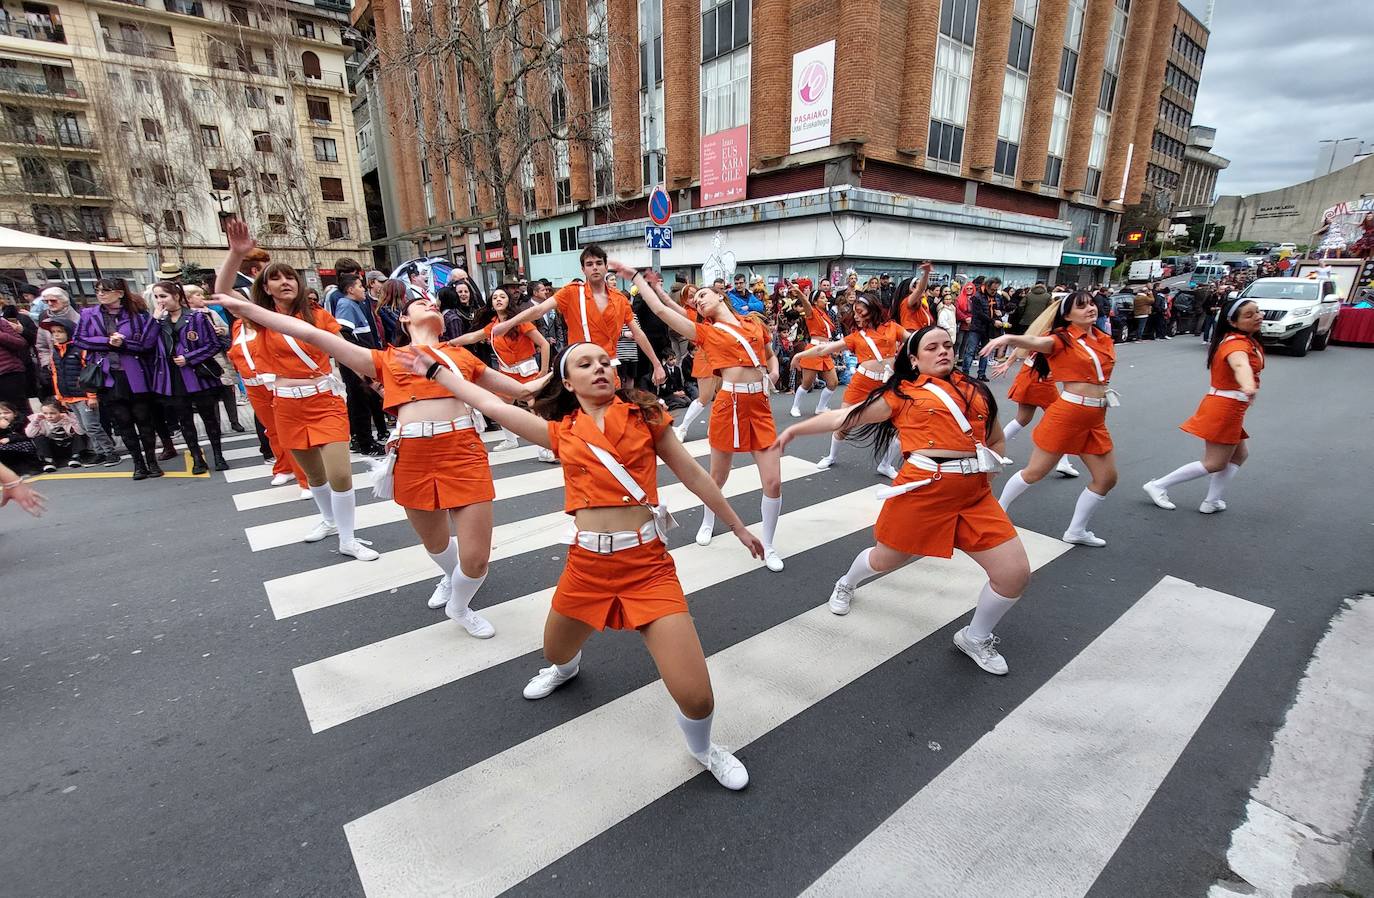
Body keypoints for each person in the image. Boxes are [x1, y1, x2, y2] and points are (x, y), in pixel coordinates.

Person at [396, 337, 763, 788]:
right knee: (554, 651)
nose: (600, 368)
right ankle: (565, 670)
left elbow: (693, 473)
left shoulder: (647, 417)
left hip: (647, 567)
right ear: (568, 382)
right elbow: (489, 402)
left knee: (697, 696)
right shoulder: (560, 431)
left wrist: (738, 527)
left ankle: (704, 749)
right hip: (586, 567)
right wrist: (435, 373)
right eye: (585, 364)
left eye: (605, 362)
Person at [215, 289, 539, 636]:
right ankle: (448, 577)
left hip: (463, 452)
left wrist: (578, 372)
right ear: (403, 318)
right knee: (437, 544)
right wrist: (246, 308)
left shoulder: (463, 357)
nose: (431, 304)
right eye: (419, 303)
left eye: (434, 303)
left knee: (476, 561)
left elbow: (522, 391)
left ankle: (458, 607)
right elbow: (311, 334)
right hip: (412, 457)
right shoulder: (386, 358)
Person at [774, 325, 1031, 675]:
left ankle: (975, 636)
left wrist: (989, 471)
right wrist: (794, 430)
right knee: (885, 560)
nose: (943, 351)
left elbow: (996, 438)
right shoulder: (902, 395)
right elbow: (846, 416)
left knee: (1013, 574)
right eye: (932, 347)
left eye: (948, 345)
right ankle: (846, 582)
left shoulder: (976, 390)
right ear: (914, 358)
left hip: (975, 497)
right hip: (922, 491)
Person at [215, 220, 377, 560]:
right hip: (286, 405)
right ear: (266, 287)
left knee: (340, 473)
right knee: (313, 474)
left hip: (325, 400)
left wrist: (377, 379)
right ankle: (329, 521)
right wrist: (235, 254)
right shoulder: (259, 317)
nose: (284, 281)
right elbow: (224, 293)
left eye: (290, 276)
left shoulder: (318, 315)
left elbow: (344, 351)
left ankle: (348, 539)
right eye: (275, 278)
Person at [625, 264, 786, 572]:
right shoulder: (706, 333)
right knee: (718, 478)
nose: (698, 301)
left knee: (773, 481)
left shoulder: (753, 323)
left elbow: (770, 354)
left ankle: (768, 544)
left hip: (759, 406)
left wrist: (775, 371)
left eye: (703, 295)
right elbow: (660, 309)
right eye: (695, 300)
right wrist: (635, 278)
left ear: (719, 295)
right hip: (729, 404)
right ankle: (708, 518)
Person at [983, 291, 1119, 547]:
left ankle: (1076, 531)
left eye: (1091, 304)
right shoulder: (1061, 340)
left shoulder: (1103, 339)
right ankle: (997, 509)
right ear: (1067, 315)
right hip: (1068, 414)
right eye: (1082, 306)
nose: (1090, 308)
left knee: (1107, 478)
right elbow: (1036, 341)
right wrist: (1008, 337)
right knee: (1034, 472)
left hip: (1095, 417)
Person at [1143, 296, 1264, 514]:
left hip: (1231, 407)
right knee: (1215, 462)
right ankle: (1158, 485)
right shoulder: (1235, 344)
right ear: (1233, 322)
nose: (1258, 316)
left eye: (1258, 311)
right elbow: (1239, 364)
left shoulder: (1244, 340)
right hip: (1224, 408)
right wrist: (1247, 385)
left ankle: (1212, 500)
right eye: (1250, 314)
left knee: (1238, 455)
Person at [493, 245, 666, 389]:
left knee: (611, 423)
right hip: (580, 369)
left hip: (608, 369)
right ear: (583, 269)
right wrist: (510, 323)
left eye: (599, 263)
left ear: (606, 267)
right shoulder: (572, 292)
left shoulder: (620, 299)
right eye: (589, 264)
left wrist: (657, 365)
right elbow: (539, 310)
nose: (595, 267)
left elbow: (638, 334)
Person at [789, 292, 906, 473]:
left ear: (872, 310)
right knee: (844, 422)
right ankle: (831, 456)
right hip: (862, 383)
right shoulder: (856, 336)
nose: (857, 317)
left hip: (888, 384)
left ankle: (886, 464)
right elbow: (824, 348)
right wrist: (800, 354)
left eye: (860, 312)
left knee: (900, 425)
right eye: (855, 313)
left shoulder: (892, 327)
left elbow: (914, 340)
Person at [74, 278, 165, 480]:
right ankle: (138, 463)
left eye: (106, 290)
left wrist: (122, 345)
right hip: (108, 376)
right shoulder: (88, 314)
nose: (101, 294)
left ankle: (152, 461)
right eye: (97, 291)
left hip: (135, 373)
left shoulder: (137, 316)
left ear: (120, 293)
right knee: (123, 422)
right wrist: (108, 342)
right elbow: (79, 339)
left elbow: (146, 344)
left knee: (144, 419)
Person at [445, 285, 550, 450]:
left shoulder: (520, 321)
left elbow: (544, 344)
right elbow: (474, 336)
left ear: (509, 300)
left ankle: (545, 447)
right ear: (491, 304)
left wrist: (543, 371)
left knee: (535, 408)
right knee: (499, 408)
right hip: (506, 372)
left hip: (527, 371)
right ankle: (510, 440)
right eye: (495, 298)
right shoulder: (493, 325)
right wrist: (452, 342)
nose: (498, 300)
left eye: (502, 297)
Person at [148, 280, 230, 474]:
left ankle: (218, 455)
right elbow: (147, 344)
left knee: (209, 418)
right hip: (174, 378)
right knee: (185, 421)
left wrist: (190, 358)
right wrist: (155, 320)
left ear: (176, 296)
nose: (160, 301)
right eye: (157, 297)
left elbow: (214, 344)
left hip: (199, 375)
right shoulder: (159, 321)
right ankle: (196, 458)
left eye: (163, 296)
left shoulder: (197, 317)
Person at [988, 352, 1082, 478]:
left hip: (1030, 374)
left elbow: (1021, 345)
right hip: (1041, 377)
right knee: (1061, 421)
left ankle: (992, 452)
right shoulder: (1054, 333)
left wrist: (1008, 363)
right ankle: (1063, 461)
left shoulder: (1043, 333)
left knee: (1023, 418)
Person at [42, 318, 118, 465]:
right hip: (69, 396)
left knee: (92, 426)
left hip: (83, 396)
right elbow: (56, 375)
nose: (56, 335)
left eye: (60, 332)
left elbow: (88, 373)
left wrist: (91, 395)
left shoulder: (80, 349)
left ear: (69, 332)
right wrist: (60, 396)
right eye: (53, 332)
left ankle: (110, 452)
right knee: (84, 427)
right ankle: (100, 452)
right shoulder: (56, 352)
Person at [332, 273, 390, 456]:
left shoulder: (354, 305)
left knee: (365, 401)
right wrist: (356, 358)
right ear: (350, 289)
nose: (363, 289)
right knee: (360, 402)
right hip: (355, 364)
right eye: (359, 286)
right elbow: (344, 334)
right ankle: (365, 443)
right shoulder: (346, 305)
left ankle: (364, 439)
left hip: (361, 360)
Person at [788, 288, 839, 418]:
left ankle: (821, 407)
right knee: (807, 383)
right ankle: (795, 407)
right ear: (815, 301)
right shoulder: (812, 312)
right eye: (822, 297)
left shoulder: (825, 314)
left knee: (833, 382)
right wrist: (799, 293)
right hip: (814, 349)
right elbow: (806, 302)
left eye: (825, 297)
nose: (825, 299)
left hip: (826, 350)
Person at [25, 399, 88, 471]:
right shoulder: (40, 419)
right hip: (54, 447)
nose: (49, 416)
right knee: (38, 437)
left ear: (61, 412)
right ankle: (48, 461)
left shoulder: (70, 417)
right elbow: (29, 434)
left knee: (78, 433)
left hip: (70, 445)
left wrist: (70, 420)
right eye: (45, 413)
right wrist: (35, 422)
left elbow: (82, 432)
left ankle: (76, 456)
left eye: (53, 413)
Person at [959, 278, 994, 380]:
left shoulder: (996, 297)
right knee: (970, 351)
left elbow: (1000, 308)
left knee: (985, 351)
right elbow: (979, 313)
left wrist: (1000, 313)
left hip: (987, 328)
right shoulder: (977, 297)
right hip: (976, 327)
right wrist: (992, 320)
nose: (994, 291)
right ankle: (965, 373)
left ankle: (981, 374)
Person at [892, 262, 935, 332]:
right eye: (920, 284)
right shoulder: (908, 301)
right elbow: (920, 289)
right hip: (912, 336)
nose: (924, 288)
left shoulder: (922, 303)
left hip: (920, 336)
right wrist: (926, 273)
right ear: (912, 289)